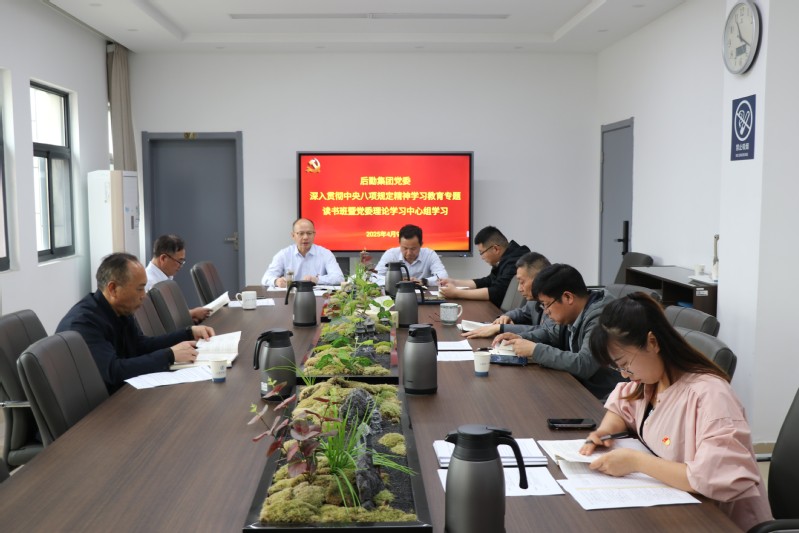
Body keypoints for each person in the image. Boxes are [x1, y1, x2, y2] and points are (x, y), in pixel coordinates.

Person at [580, 293, 771, 531]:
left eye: (625, 364)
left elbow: (712, 477)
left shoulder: (710, 395)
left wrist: (636, 461)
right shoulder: (651, 381)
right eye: (618, 368)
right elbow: (621, 404)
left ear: (652, 342)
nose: (625, 374)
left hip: (721, 523)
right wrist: (605, 431)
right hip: (681, 510)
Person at [57, 253, 215, 393]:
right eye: (139, 289)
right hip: (100, 408)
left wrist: (188, 333)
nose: (144, 296)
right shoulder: (84, 323)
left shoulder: (119, 309)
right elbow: (113, 371)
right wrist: (169, 355)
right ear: (113, 289)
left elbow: (140, 345)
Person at [493, 263, 623, 399]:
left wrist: (535, 350)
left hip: (602, 398)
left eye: (546, 304)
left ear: (568, 297)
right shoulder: (574, 312)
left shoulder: (601, 317)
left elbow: (584, 364)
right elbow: (551, 333)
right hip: (577, 387)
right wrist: (521, 338)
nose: (546, 312)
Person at [462, 251, 550, 339]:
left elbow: (545, 332)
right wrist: (506, 316)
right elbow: (523, 312)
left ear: (538, 279)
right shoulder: (534, 299)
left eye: (522, 282)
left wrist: (500, 328)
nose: (519, 289)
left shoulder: (554, 301)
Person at [438, 226, 529, 308]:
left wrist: (457, 293)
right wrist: (455, 282)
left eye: (482, 252)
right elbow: (488, 281)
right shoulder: (506, 256)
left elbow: (496, 292)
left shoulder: (516, 261)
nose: (482, 257)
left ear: (495, 249)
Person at [145, 234, 210, 323]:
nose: (181, 265)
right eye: (179, 261)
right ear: (163, 258)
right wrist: (192, 313)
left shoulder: (165, 277)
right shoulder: (149, 283)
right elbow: (160, 319)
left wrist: (190, 316)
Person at [261, 218, 344, 287]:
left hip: (317, 298)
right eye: (301, 233)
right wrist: (276, 281)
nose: (305, 237)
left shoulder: (325, 253)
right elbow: (266, 278)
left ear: (314, 234)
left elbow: (339, 278)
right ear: (293, 235)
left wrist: (317, 280)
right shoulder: (284, 254)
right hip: (291, 297)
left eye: (309, 233)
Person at [373, 224, 448, 287]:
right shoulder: (391, 254)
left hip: (425, 295)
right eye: (405, 248)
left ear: (421, 244)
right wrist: (397, 280)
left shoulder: (429, 254)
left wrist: (424, 281)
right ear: (399, 244)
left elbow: (444, 277)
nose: (409, 253)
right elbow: (374, 277)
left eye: (413, 249)